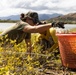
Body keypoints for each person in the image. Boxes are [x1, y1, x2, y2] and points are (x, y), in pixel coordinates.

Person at [0, 11, 64, 54]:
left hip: (3, 49)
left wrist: (29, 58)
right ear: (27, 19)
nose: (35, 23)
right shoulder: (22, 24)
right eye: (34, 21)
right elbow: (34, 29)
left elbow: (29, 46)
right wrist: (52, 24)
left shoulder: (27, 31)